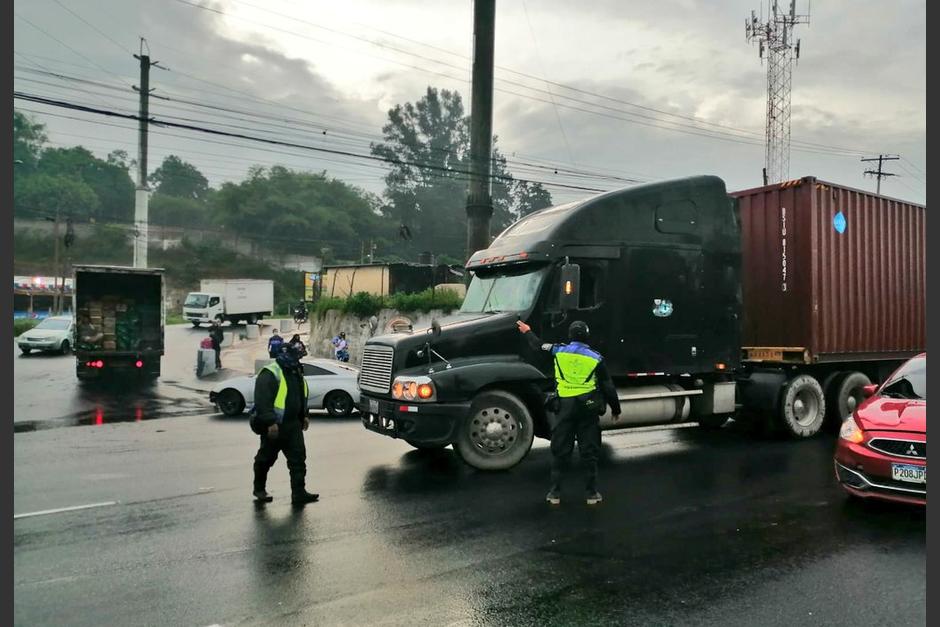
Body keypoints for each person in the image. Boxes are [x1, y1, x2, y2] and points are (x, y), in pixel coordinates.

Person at [517, 319, 620, 506]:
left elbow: (538, 345)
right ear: (587, 336)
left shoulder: (559, 351)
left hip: (564, 408)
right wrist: (616, 408)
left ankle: (554, 493)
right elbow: (608, 386)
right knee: (589, 452)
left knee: (560, 451)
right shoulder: (596, 358)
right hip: (587, 409)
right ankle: (591, 494)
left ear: (570, 336)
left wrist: (527, 331)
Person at [251, 343, 319, 506]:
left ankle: (299, 493)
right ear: (286, 354)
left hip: (293, 425)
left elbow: (300, 396)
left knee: (298, 460)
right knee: (265, 459)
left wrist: (304, 416)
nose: (299, 358)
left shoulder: (295, 370)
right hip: (275, 426)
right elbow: (262, 400)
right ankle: (259, 489)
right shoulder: (270, 373)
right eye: (296, 355)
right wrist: (270, 422)